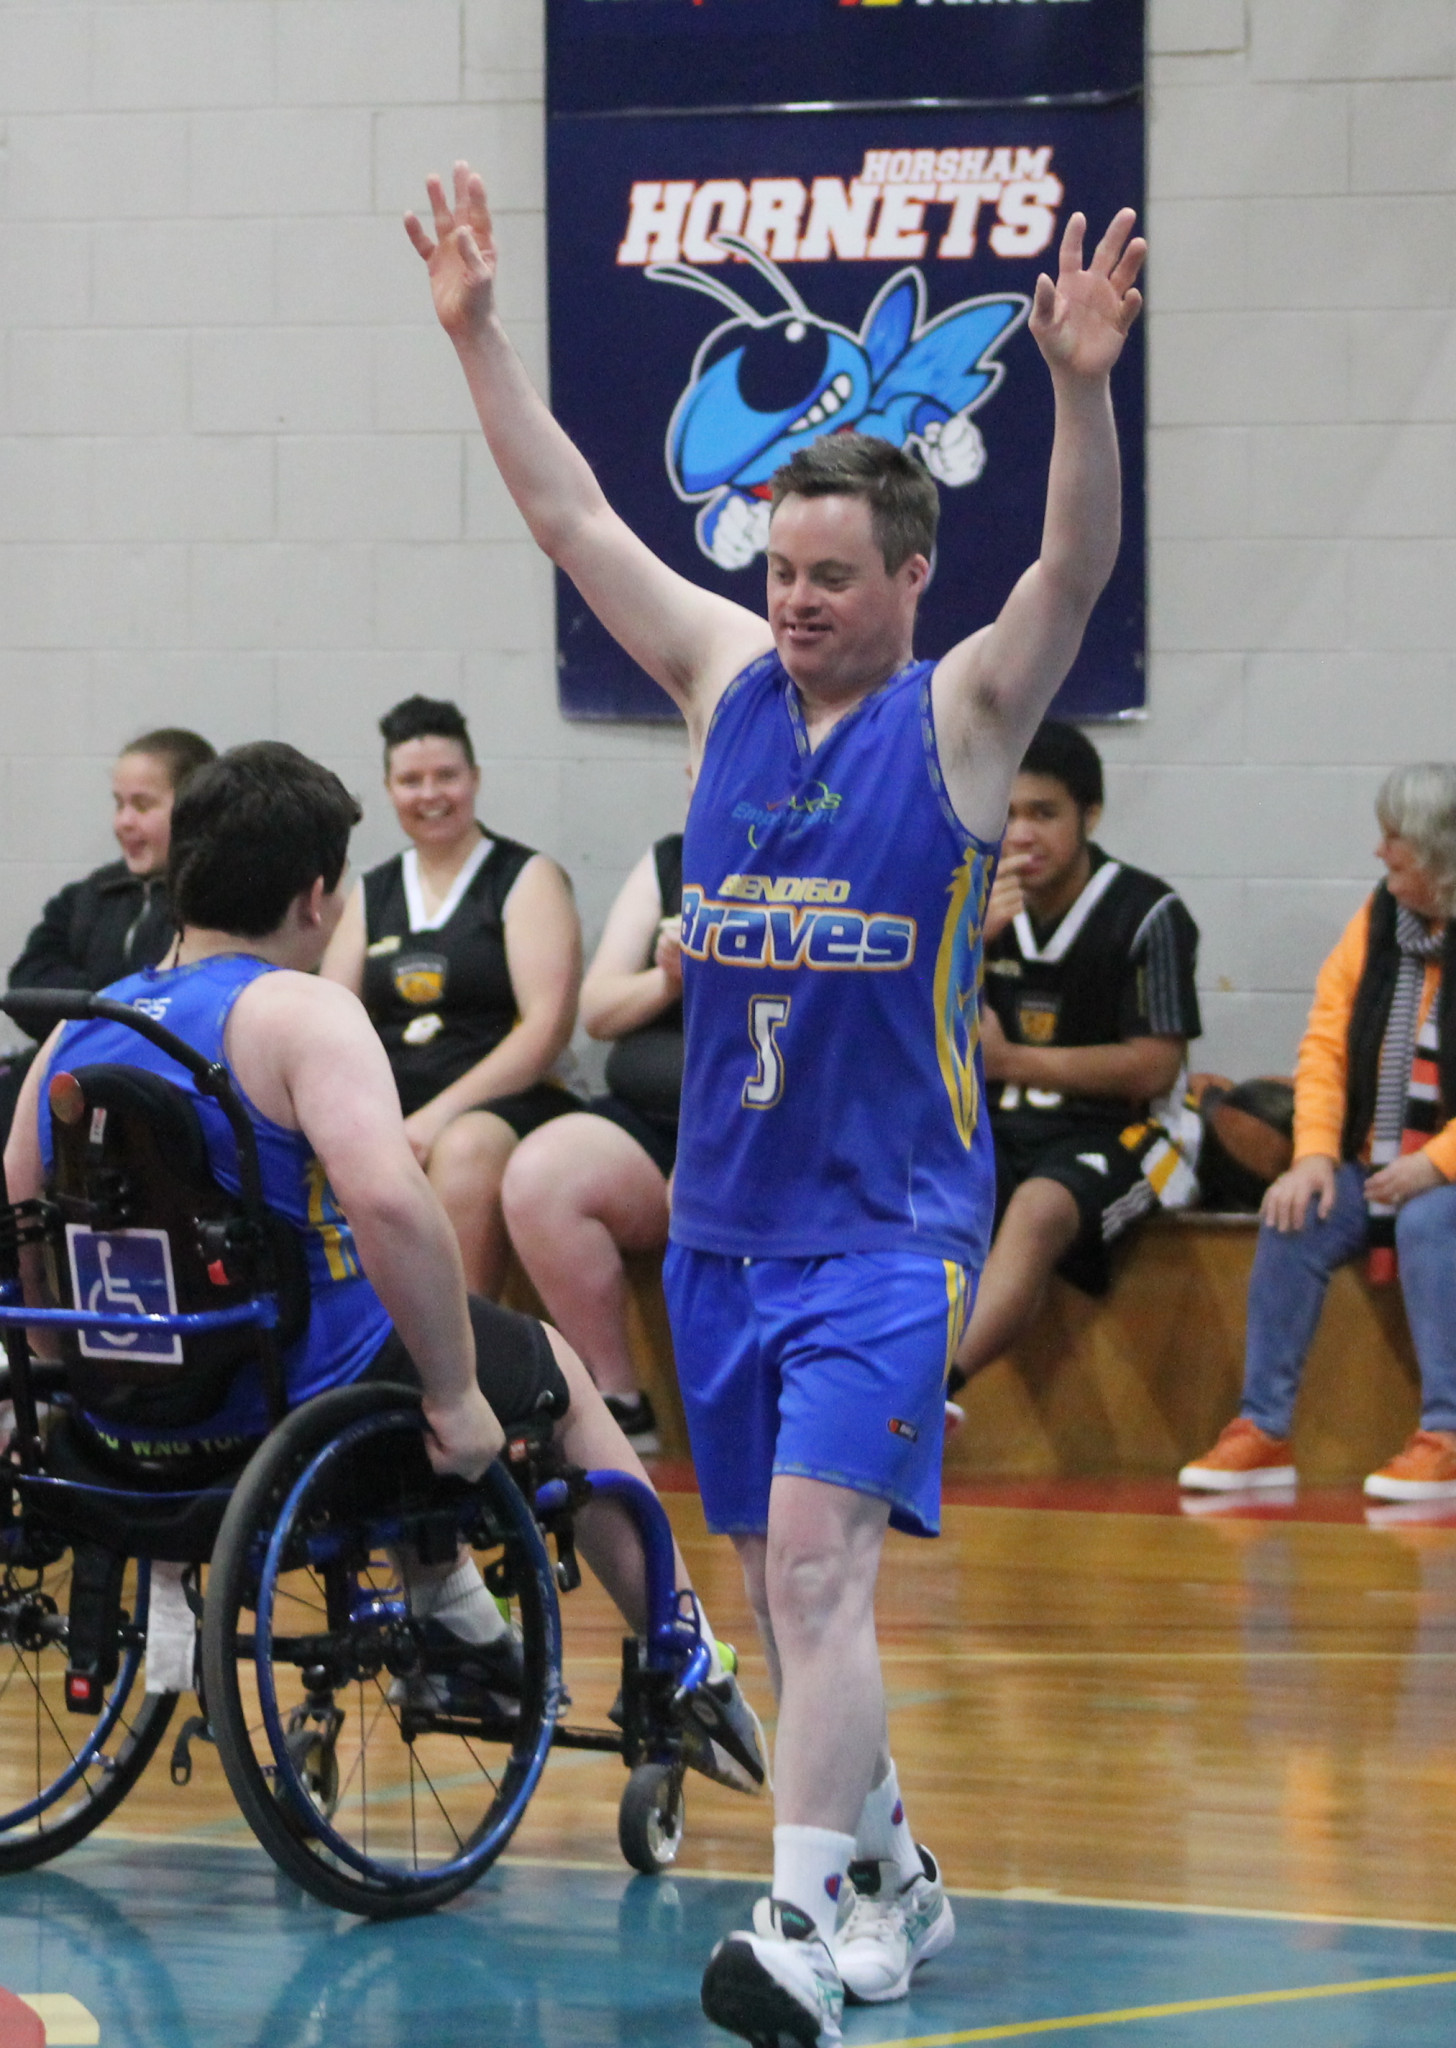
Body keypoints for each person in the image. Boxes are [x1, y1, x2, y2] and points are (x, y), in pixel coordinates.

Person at [406, 160, 1144, 2045]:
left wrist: (1074, 389)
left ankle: (806, 1925)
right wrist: (482, 337)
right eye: (779, 570)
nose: (796, 601)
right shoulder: (726, 678)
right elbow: (573, 515)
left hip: (890, 1227)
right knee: (784, 1578)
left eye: (834, 575)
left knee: (815, 1574)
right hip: (726, 1222)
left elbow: (1068, 573)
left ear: (909, 574)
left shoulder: (964, 718)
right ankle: (895, 1869)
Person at [2, 741, 765, 1787]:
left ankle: (450, 1606)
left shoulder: (82, 1027)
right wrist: (455, 1394)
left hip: (121, 1411)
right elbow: (391, 1203)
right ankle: (687, 1659)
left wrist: (58, 1378)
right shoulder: (300, 1012)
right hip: (286, 1394)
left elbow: (23, 1207)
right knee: (542, 1366)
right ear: (319, 895)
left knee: (384, 1332)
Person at [1180, 764, 1456, 1504]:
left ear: (1437, 853)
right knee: (1294, 1212)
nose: (1380, 853)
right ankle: (1262, 1430)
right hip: (1379, 1163)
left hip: (1440, 1176)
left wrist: (1438, 1164)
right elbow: (1327, 1047)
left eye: (1394, 839)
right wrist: (1310, 1159)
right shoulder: (1377, 923)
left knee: (1434, 1217)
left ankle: (1447, 1436)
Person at [946, 720, 1201, 1421]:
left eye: (1044, 813)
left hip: (1128, 1135)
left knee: (1038, 1208)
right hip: (1000, 1122)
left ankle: (935, 1391)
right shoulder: (970, 905)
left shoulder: (1147, 912)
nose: (1022, 833)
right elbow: (908, 1033)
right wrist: (970, 945)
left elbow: (1151, 1068)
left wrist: (1013, 1061)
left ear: (1089, 815)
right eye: (1010, 813)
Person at [321, 696, 581, 1298]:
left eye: (446, 776)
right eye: (411, 780)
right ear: (388, 789)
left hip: (507, 1097)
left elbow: (546, 1030)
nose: (430, 793)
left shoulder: (523, 876)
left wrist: (437, 1118)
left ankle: (462, 1354)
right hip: (400, 1099)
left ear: (475, 779)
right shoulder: (373, 890)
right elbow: (331, 1020)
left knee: (464, 1148)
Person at [502, 831, 685, 1454]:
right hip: (651, 1119)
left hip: (770, 1126)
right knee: (540, 1176)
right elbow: (599, 1011)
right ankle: (618, 1398)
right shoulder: (670, 859)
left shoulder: (830, 859)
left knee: (716, 1194)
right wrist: (668, 979)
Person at [1, 729, 217, 1142]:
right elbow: (29, 986)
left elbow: (183, 1009)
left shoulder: (211, 903)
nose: (123, 822)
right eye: (118, 804)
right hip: (73, 1077)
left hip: (160, 1098)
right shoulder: (89, 895)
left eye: (142, 804)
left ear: (193, 809)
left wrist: (89, 1005)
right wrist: (116, 1006)